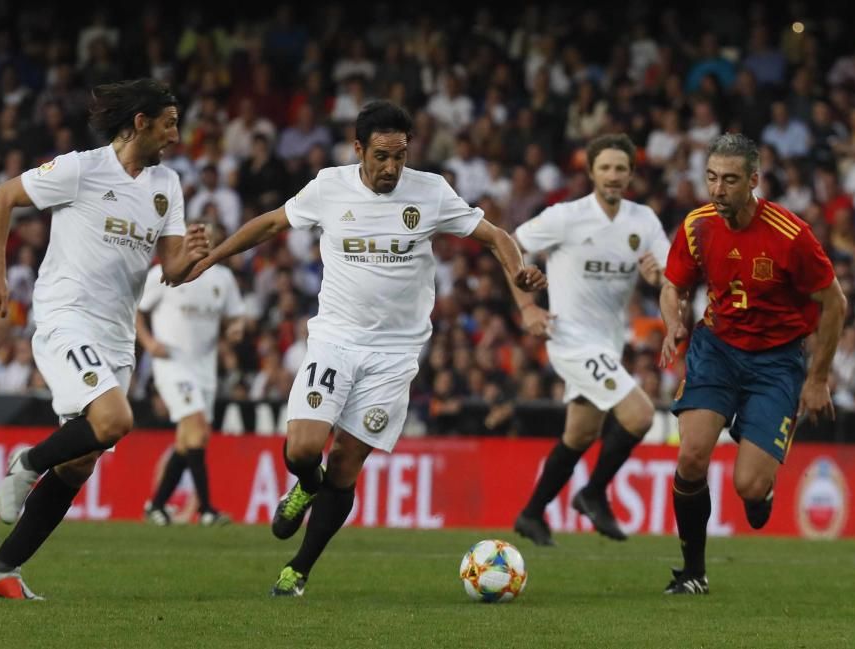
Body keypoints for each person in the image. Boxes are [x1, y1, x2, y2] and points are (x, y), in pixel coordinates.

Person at [179, 100, 546, 597]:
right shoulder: (330, 187)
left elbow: (495, 236)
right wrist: (212, 261)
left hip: (395, 355)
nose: (392, 167)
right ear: (358, 149)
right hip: (335, 339)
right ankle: (306, 483)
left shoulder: (431, 192)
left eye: (400, 156)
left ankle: (298, 570)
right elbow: (270, 224)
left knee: (347, 464)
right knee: (304, 450)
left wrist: (520, 283)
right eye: (381, 156)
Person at [0, 79, 209, 599]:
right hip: (67, 316)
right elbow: (2, 197)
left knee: (80, 461)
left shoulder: (166, 185)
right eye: (170, 122)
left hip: (117, 336)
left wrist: (191, 257)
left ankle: (2, 571)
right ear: (141, 122)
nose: (177, 134)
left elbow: (169, 271)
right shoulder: (81, 168)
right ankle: (25, 463)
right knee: (115, 420)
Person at [659, 133, 846, 595]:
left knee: (748, 487)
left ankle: (762, 490)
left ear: (754, 181)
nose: (717, 190)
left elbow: (834, 303)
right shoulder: (697, 225)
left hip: (777, 362)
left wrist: (818, 378)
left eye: (729, 180)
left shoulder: (791, 235)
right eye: (711, 178)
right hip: (717, 349)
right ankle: (693, 573)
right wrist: (671, 324)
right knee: (692, 454)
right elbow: (673, 285)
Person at [511, 134, 671, 546]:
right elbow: (511, 244)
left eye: (621, 168)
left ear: (632, 174)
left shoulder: (644, 221)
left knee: (580, 434)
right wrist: (528, 307)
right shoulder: (566, 217)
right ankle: (594, 493)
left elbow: (668, 276)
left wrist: (656, 278)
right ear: (591, 172)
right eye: (605, 168)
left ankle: (531, 514)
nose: (613, 176)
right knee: (639, 416)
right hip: (570, 339)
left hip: (608, 341)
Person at [137, 220, 246, 527]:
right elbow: (136, 310)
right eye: (198, 236)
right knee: (196, 428)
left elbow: (235, 317)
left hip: (204, 367)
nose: (204, 241)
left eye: (209, 237)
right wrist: (148, 342)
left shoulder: (223, 278)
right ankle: (207, 509)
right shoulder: (164, 274)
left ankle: (157, 505)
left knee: (190, 440)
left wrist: (235, 330)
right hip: (171, 363)